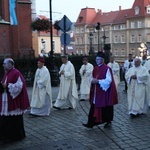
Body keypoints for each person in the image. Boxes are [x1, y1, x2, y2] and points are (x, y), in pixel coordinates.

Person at [82, 52, 118, 128]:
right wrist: (92, 80)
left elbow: (109, 80)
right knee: (94, 106)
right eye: (96, 59)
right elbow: (91, 77)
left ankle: (108, 121)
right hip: (96, 91)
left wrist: (98, 81)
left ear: (102, 60)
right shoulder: (95, 68)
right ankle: (91, 123)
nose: (96, 61)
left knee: (106, 107)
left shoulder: (107, 68)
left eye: (98, 59)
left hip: (104, 91)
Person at [0, 58, 30, 143]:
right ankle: (5, 136)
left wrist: (8, 86)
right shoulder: (7, 73)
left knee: (13, 120)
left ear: (10, 64)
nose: (3, 65)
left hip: (13, 101)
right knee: (5, 119)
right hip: (6, 99)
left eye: (4, 64)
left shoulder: (16, 73)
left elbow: (19, 86)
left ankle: (14, 136)